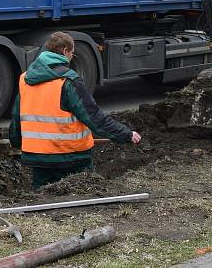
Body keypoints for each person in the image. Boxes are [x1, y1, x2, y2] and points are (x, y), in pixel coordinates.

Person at [9, 32, 142, 190]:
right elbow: (94, 118)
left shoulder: (25, 80)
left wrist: (18, 144)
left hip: (37, 158)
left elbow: (17, 119)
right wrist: (125, 134)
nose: (72, 57)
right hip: (70, 157)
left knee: (42, 200)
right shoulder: (69, 81)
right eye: (72, 53)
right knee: (84, 194)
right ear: (65, 51)